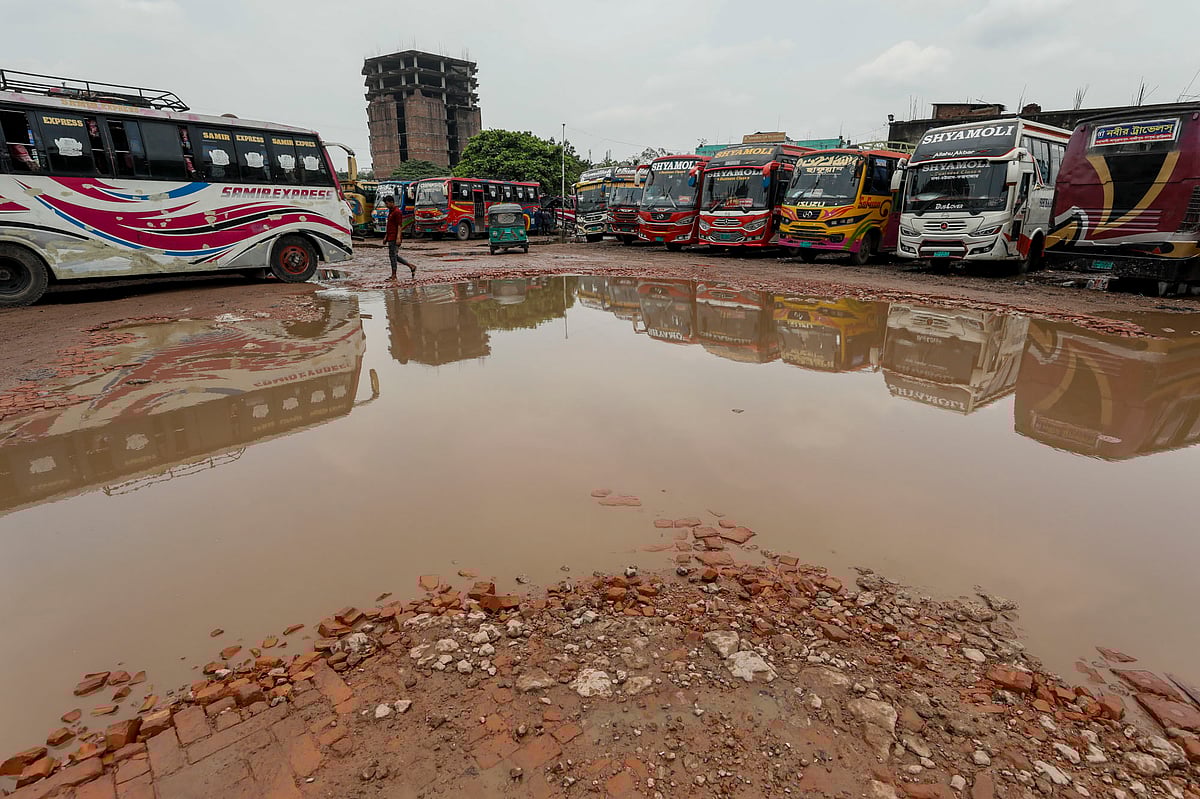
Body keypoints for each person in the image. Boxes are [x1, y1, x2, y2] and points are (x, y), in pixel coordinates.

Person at [383, 195, 416, 281]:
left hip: (394, 237)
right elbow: (389, 226)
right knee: (394, 256)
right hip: (390, 236)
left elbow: (399, 226)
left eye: (387, 203)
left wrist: (398, 237)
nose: (386, 205)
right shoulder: (390, 211)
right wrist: (386, 237)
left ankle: (394, 275)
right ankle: (411, 266)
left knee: (393, 256)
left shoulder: (397, 212)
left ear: (391, 202)